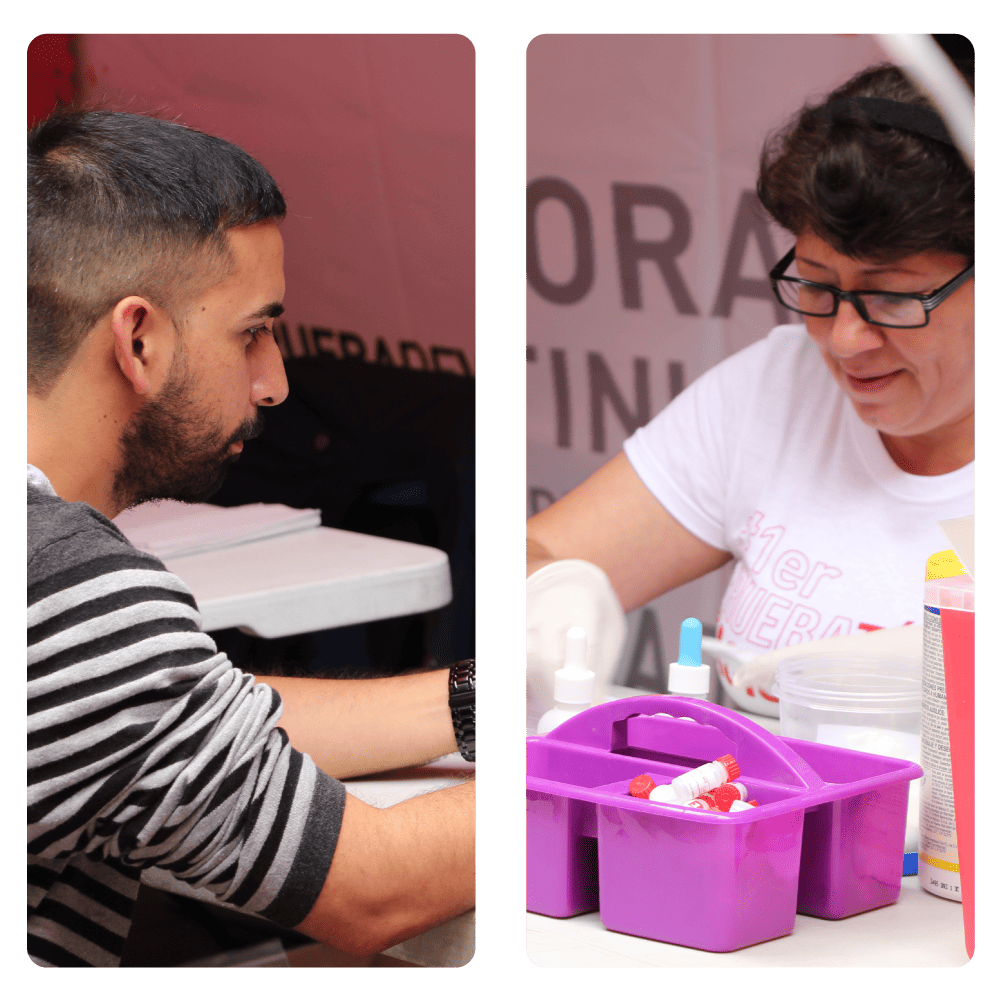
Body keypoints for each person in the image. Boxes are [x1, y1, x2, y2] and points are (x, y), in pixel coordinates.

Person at [28, 100, 474, 968]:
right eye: (255, 333)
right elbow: (379, 887)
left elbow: (186, 713)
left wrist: (472, 702)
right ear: (139, 337)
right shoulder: (72, 596)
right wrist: (606, 780)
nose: (273, 384)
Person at [527, 62, 973, 702]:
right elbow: (542, 547)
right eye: (817, 284)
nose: (845, 340)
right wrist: (551, 588)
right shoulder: (780, 390)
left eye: (894, 298)